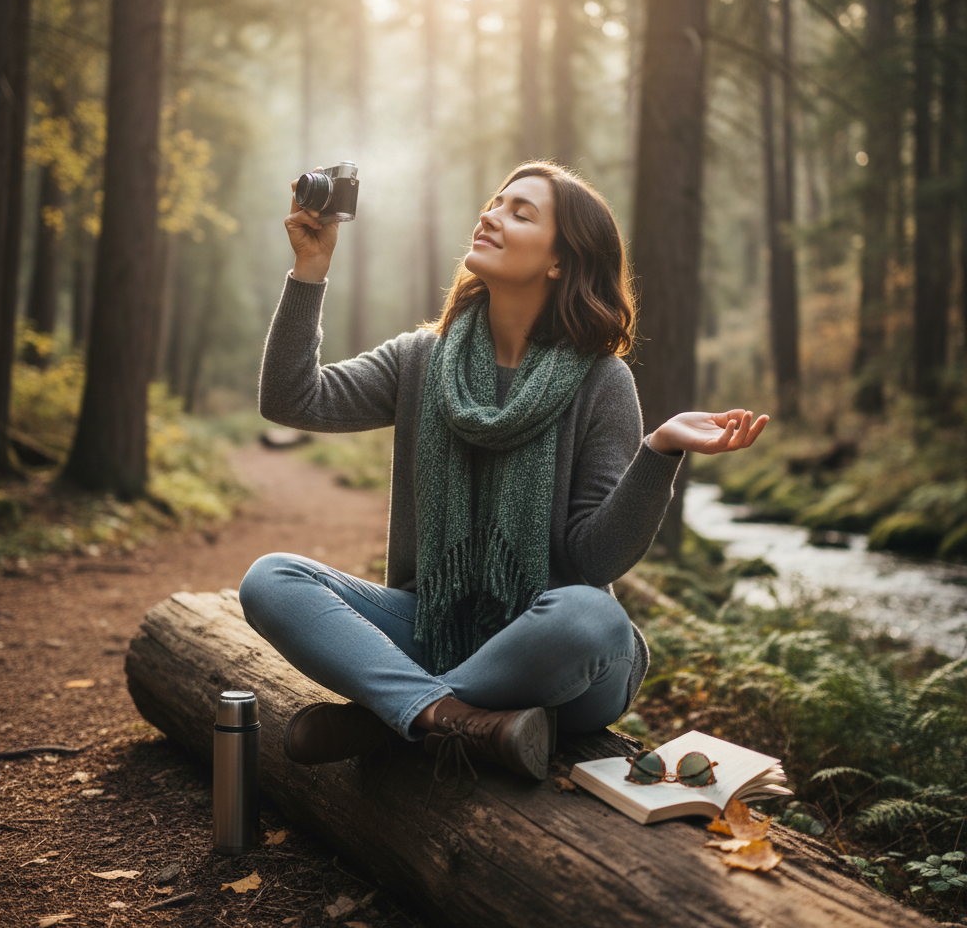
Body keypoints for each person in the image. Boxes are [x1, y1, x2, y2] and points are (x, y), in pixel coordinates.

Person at [239, 161, 768, 782]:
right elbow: (292, 399)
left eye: (521, 213)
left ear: (559, 261)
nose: (490, 216)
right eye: (495, 203)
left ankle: (391, 716)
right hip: (435, 625)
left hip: (559, 658)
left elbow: (595, 561)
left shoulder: (601, 382)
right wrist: (310, 270)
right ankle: (446, 716)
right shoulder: (420, 360)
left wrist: (659, 451)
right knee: (271, 579)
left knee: (593, 616)